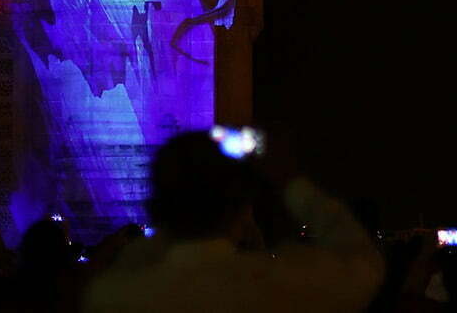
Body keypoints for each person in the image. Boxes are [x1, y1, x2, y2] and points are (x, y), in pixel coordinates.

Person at [83, 130, 383, 313]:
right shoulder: (284, 287)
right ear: (242, 209)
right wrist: (291, 181)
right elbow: (363, 262)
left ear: (156, 208)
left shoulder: (113, 296)